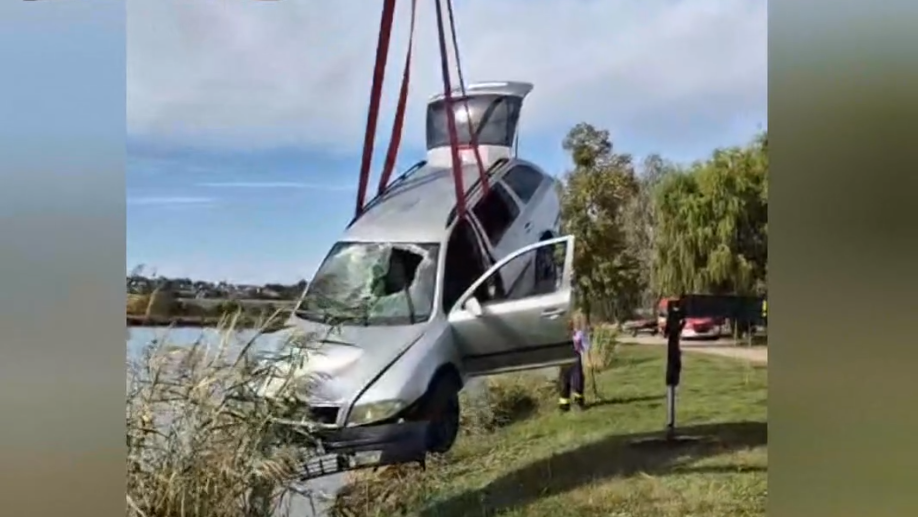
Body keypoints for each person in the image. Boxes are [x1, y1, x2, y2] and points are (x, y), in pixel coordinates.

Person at [558, 313, 589, 411]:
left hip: (574, 357)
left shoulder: (578, 333)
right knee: (564, 381)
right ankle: (564, 405)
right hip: (564, 359)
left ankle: (578, 402)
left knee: (577, 379)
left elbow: (584, 345)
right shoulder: (562, 335)